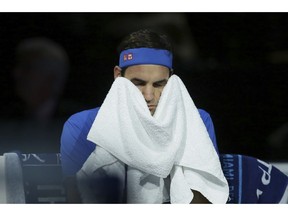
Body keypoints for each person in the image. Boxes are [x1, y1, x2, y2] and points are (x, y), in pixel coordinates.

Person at [60, 29, 228, 203]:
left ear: (171, 81)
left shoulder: (196, 122)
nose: (149, 95)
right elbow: (78, 201)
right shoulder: (81, 126)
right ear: (118, 76)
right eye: (138, 83)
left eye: (159, 84)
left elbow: (204, 202)